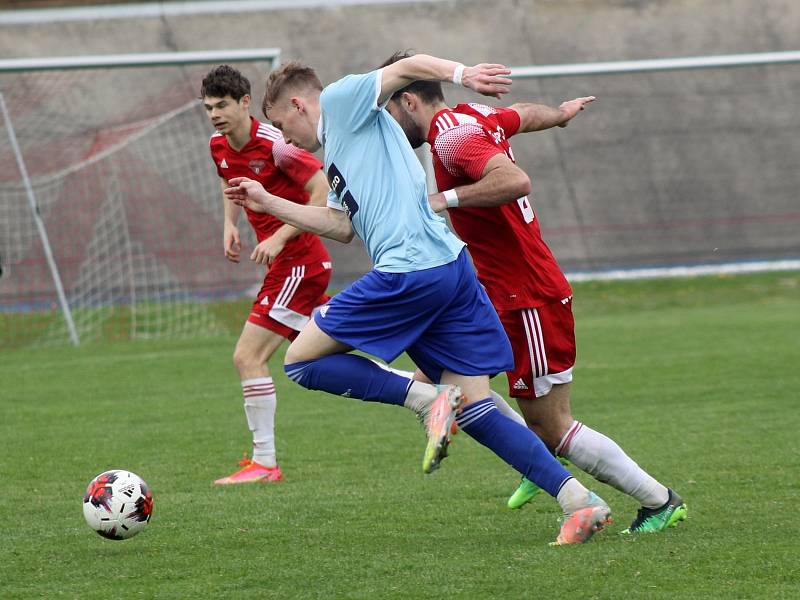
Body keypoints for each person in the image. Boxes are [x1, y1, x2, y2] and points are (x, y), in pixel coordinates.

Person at [224, 54, 613, 545]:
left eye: (281, 124)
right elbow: (342, 226)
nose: (283, 139)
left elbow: (406, 66)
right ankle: (579, 501)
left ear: (299, 104)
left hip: (409, 272)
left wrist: (461, 75)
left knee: (300, 361)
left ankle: (428, 398)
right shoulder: (343, 149)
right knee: (476, 406)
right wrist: (268, 201)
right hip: (452, 270)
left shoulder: (342, 102)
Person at [381, 51, 688, 534]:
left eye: (389, 110)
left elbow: (514, 179)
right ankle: (533, 457)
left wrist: (444, 198)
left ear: (408, 101)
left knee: (553, 423)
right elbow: (522, 113)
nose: (390, 124)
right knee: (447, 375)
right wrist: (561, 116)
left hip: (528, 297)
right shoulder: (473, 116)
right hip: (498, 293)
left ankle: (660, 500)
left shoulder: (451, 138)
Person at [201, 65, 333, 485]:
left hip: (300, 263)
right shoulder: (218, 145)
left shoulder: (277, 144)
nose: (215, 114)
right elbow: (231, 182)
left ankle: (264, 463)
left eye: (222, 105)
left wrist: (278, 238)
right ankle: (432, 396)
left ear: (244, 102)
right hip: (288, 267)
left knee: (247, 356)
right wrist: (229, 225)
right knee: (329, 359)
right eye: (208, 107)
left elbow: (322, 190)